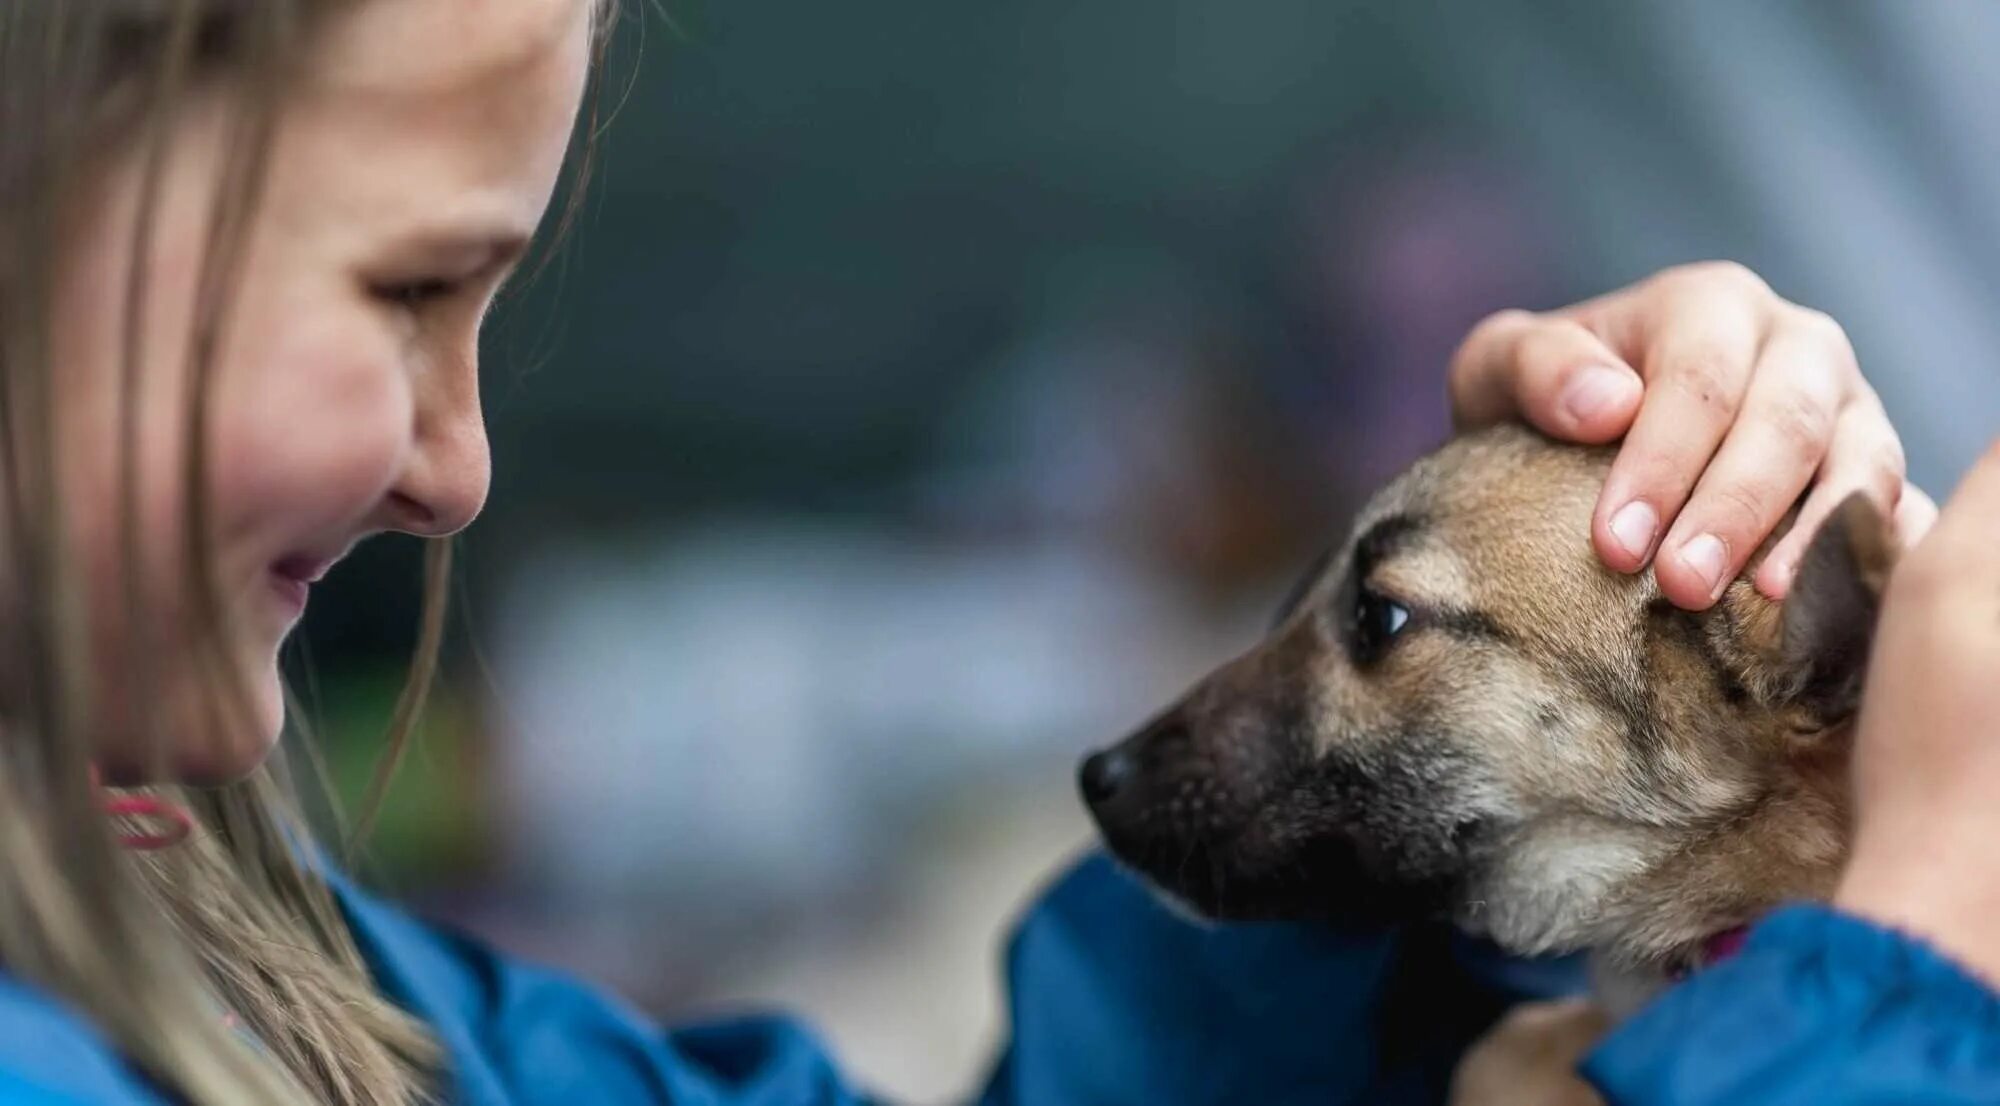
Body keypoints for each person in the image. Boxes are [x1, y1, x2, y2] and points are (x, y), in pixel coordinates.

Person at [0, 1, 1995, 1104]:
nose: (462, 467)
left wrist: (1570, 919)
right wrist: (1887, 995)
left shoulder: (262, 979)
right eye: (408, 284)